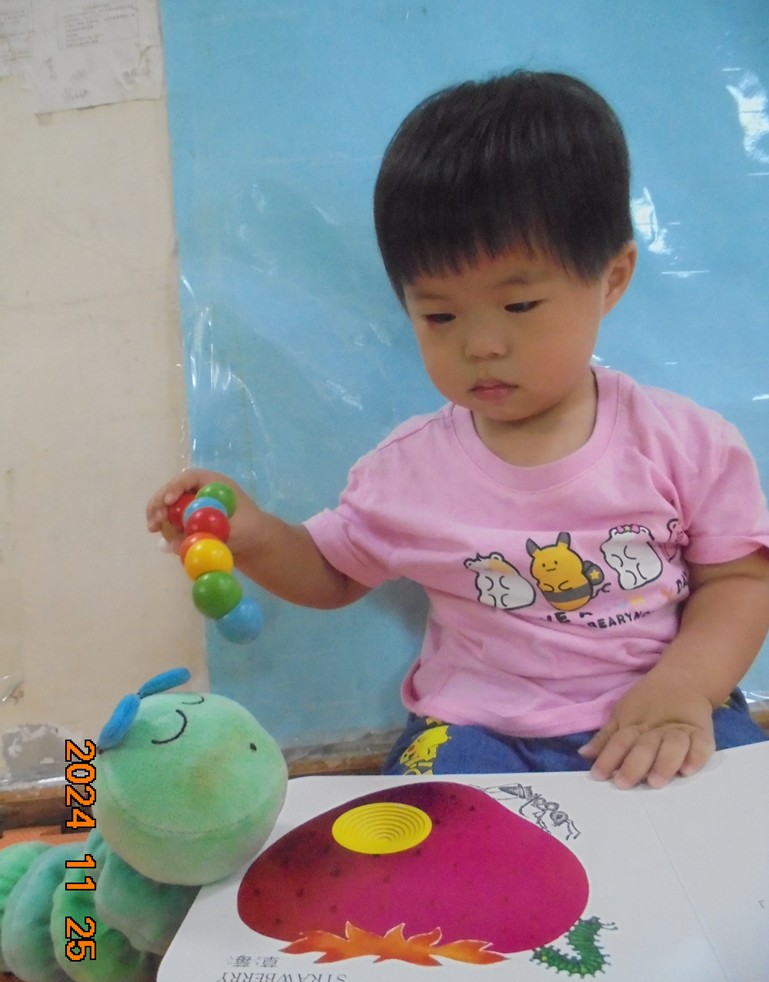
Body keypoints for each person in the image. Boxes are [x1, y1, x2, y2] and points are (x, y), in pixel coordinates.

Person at [147, 70, 769, 788]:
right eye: (440, 315)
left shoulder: (684, 443)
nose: (480, 345)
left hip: (660, 706)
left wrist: (686, 686)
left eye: (520, 306)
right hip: (476, 730)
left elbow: (738, 579)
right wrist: (254, 534)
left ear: (613, 277)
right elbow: (334, 572)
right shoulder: (407, 468)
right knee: (418, 835)